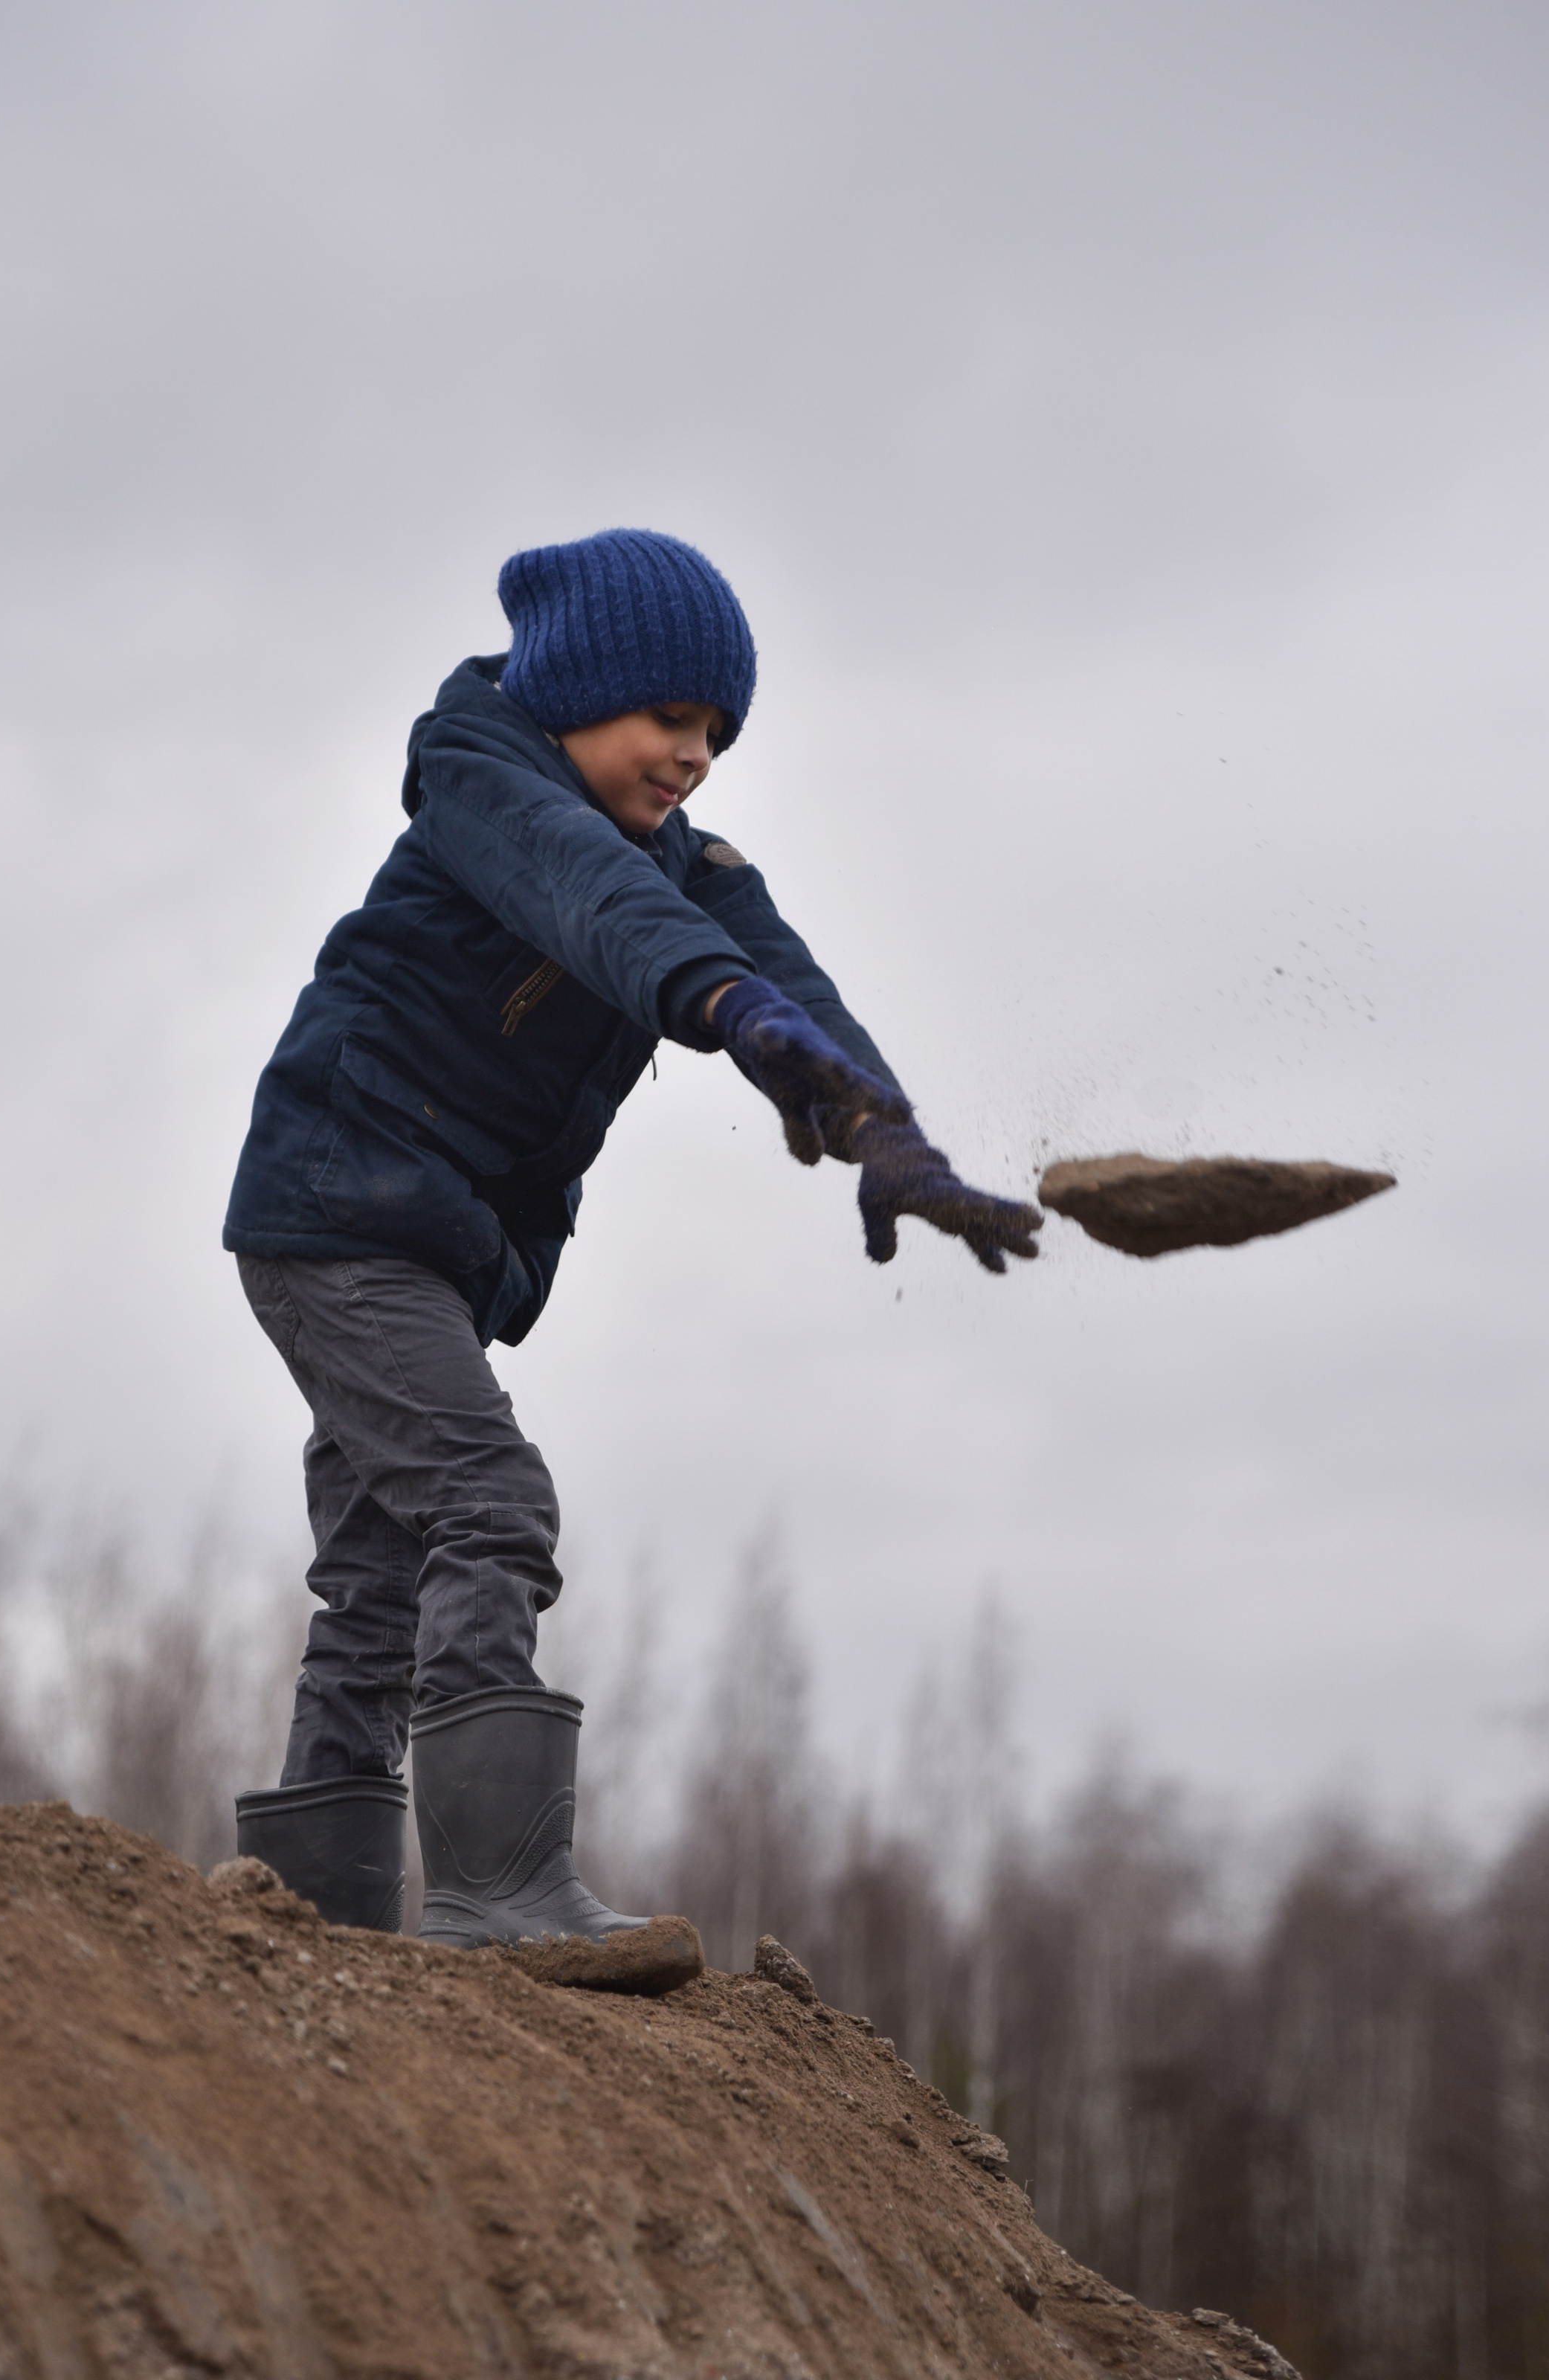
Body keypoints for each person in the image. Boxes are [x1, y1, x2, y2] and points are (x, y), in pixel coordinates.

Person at [225, 529, 1040, 1945]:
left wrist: (882, 1130)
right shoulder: (486, 785)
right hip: (335, 1210)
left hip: (434, 1250)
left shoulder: (690, 867)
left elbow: (777, 974)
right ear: (578, 688)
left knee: (376, 1574)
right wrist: (735, 1020)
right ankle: (496, 1894)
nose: (698, 754)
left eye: (719, 730)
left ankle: (317, 1933)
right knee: (491, 1503)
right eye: (671, 716)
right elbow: (602, 914)